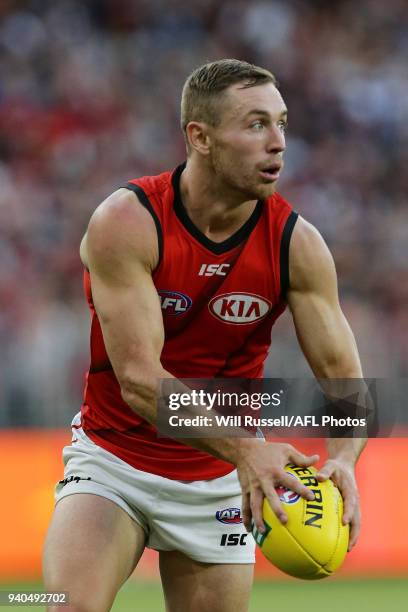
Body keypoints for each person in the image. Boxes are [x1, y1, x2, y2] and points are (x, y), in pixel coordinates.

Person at [43, 59, 366, 612]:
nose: (279, 143)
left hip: (223, 484)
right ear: (201, 137)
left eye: (282, 123)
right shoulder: (128, 222)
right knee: (60, 606)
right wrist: (249, 449)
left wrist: (344, 459)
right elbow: (141, 382)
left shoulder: (297, 245)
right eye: (256, 124)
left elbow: (345, 379)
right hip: (116, 461)